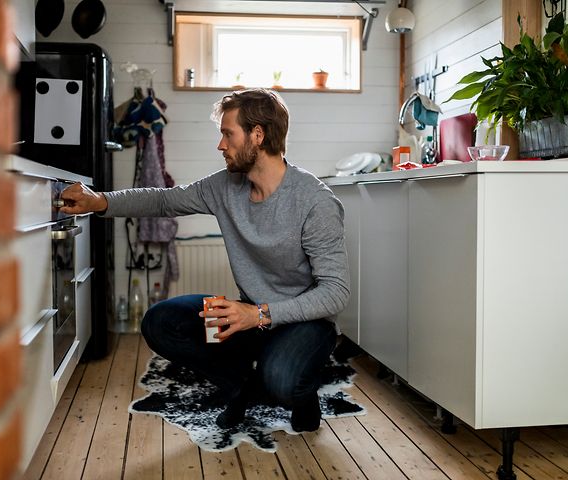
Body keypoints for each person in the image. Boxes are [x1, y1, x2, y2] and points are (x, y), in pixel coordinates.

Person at [60, 88, 350, 432]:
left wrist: (260, 314)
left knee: (283, 383)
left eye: (228, 134)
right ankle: (242, 385)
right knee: (160, 322)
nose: (221, 145)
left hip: (305, 321)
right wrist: (100, 202)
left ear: (257, 135)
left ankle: (300, 392)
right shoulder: (225, 186)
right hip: (251, 315)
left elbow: (336, 291)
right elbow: (164, 201)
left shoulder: (315, 201)